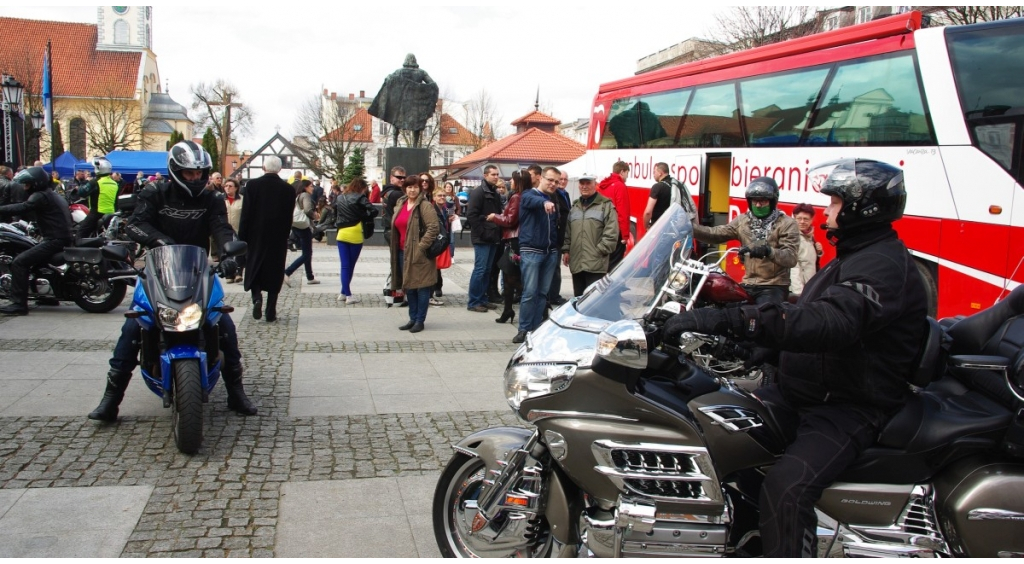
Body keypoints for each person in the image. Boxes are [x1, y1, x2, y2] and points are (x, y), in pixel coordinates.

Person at [664, 159, 926, 557]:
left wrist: (730, 320)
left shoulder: (882, 264)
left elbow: (830, 323)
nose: (826, 211)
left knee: (786, 489)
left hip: (847, 406)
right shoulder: (854, 255)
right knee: (715, 429)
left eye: (835, 202)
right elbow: (808, 320)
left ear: (862, 208)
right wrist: (751, 350)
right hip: (804, 392)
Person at [88, 141, 256, 421]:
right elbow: (135, 223)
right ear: (175, 170)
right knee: (134, 326)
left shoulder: (212, 199)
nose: (195, 178)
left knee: (222, 323)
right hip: (158, 269)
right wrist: (160, 240)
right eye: (189, 173)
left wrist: (230, 253)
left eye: (200, 173)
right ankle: (111, 399)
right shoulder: (156, 192)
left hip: (197, 269)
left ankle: (236, 392)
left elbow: (221, 229)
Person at [692, 177, 800, 305]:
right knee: (721, 305)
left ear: (773, 201)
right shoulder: (743, 221)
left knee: (765, 316)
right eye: (755, 201)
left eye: (763, 201)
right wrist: (690, 228)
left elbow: (791, 257)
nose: (758, 205)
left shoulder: (787, 223)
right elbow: (716, 234)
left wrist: (768, 251)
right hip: (748, 283)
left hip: (773, 286)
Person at [0, 167, 73, 315]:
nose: (25, 187)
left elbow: (23, 207)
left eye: (27, 184)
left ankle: (18, 304)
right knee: (38, 262)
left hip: (54, 239)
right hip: (61, 237)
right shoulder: (51, 194)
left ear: (36, 183)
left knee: (19, 262)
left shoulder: (39, 196)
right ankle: (47, 297)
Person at [239, 156, 295, 323]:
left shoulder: (252, 185)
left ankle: (256, 297)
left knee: (254, 266)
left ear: (263, 167)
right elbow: (288, 216)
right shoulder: (288, 189)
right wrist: (286, 236)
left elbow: (246, 213)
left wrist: (242, 237)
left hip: (255, 234)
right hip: (277, 236)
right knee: (275, 270)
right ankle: (271, 311)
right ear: (279, 169)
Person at [514, 167, 561, 344]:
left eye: (556, 181)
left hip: (550, 252)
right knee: (529, 293)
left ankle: (535, 329)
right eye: (550, 180)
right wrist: (544, 204)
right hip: (532, 251)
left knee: (542, 294)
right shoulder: (528, 195)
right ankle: (523, 329)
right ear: (540, 178)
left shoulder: (553, 197)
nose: (553, 184)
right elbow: (533, 200)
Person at [389, 175, 439, 333]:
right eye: (409, 187)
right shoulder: (401, 203)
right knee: (409, 286)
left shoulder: (425, 206)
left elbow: (433, 228)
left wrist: (420, 247)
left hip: (419, 253)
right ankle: (412, 318)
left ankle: (420, 320)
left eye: (415, 187)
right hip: (402, 251)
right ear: (405, 188)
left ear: (420, 188)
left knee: (422, 287)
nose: (412, 190)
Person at [562, 173, 619, 297]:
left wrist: (599, 251)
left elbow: (612, 232)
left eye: (588, 183)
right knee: (578, 298)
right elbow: (568, 231)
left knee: (594, 300)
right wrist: (566, 250)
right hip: (577, 262)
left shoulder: (606, 205)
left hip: (596, 263)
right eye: (582, 183)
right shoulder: (575, 207)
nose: (584, 186)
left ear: (595, 184)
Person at [487, 170, 525, 324]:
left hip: (514, 240)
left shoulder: (517, 197)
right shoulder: (518, 196)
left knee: (513, 278)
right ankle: (507, 310)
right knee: (508, 276)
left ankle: (540, 304)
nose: (510, 181)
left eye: (513, 179)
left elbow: (510, 220)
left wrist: (494, 217)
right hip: (512, 240)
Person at [334, 178, 379, 304]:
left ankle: (343, 292)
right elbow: (374, 210)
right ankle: (348, 295)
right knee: (351, 265)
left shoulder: (340, 197)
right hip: (355, 232)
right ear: (362, 187)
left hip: (341, 233)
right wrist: (363, 216)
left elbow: (335, 212)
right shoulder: (360, 197)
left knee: (344, 265)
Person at [466, 164, 504, 312]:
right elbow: (471, 216)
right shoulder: (478, 192)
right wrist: (482, 232)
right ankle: (474, 301)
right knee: (480, 269)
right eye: (493, 174)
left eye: (497, 174)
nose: (496, 177)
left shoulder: (494, 192)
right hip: (483, 237)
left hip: (492, 236)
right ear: (485, 175)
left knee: (487, 270)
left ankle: (482, 298)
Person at [597, 161, 632, 270]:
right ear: (622, 172)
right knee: (614, 263)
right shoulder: (620, 186)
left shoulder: (602, 186)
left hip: (602, 228)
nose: (627, 177)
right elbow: (622, 211)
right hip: (615, 231)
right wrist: (625, 235)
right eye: (627, 173)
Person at [284, 179, 319, 286]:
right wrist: (315, 215)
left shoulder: (297, 196)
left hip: (296, 225)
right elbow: (308, 210)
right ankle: (287, 272)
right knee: (307, 253)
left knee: (307, 252)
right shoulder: (305, 195)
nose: (313, 188)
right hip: (304, 226)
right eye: (311, 186)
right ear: (305, 187)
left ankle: (310, 276)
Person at [644, 162, 697, 231]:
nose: (653, 174)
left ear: (660, 173)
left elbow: (648, 212)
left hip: (658, 229)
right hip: (675, 230)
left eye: (654, 172)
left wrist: (646, 227)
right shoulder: (679, 185)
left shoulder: (657, 187)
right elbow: (692, 208)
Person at [75, 157, 119, 239]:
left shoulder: (95, 182)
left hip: (97, 213)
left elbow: (82, 192)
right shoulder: (114, 183)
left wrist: (84, 183)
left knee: (80, 234)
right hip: (111, 212)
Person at [547, 170, 572, 306]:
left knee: (556, 267)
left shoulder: (565, 194)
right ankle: (553, 295)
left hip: (562, 236)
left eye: (565, 179)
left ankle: (554, 294)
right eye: (560, 179)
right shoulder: (554, 195)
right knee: (554, 268)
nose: (562, 182)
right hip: (556, 237)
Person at [789, 202, 823, 299]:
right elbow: (793, 267)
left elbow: (808, 260)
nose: (802, 222)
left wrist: (818, 252)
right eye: (799, 218)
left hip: (808, 286)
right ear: (794, 218)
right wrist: (799, 293)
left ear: (811, 220)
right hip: (800, 290)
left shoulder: (808, 236)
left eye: (806, 219)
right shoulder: (793, 237)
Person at [431, 188, 450, 306]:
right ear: (434, 197)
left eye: (443, 195)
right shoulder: (433, 210)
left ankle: (438, 287)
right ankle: (433, 290)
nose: (442, 197)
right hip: (435, 241)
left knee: (437, 267)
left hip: (442, 240)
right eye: (439, 195)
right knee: (433, 268)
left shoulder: (444, 210)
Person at [223, 178, 244, 283]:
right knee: (227, 252)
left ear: (236, 188)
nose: (228, 188)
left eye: (230, 186)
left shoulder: (242, 200)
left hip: (238, 229)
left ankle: (238, 273)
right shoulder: (222, 200)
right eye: (226, 186)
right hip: (225, 230)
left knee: (239, 252)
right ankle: (229, 274)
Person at [380, 166, 406, 246]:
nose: (402, 180)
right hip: (395, 231)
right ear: (391, 177)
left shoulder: (387, 191)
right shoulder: (396, 194)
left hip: (390, 229)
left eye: (404, 178)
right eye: (399, 177)